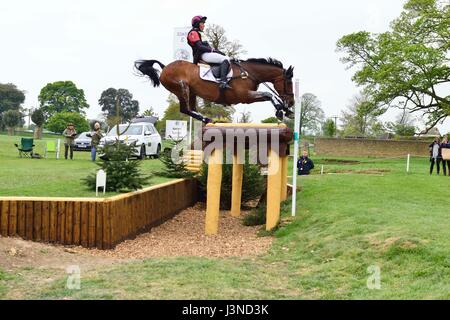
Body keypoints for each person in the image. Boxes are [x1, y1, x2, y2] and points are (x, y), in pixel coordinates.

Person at [187, 15, 232, 90]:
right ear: (197, 23)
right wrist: (213, 50)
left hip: (206, 53)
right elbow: (199, 46)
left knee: (226, 57)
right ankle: (223, 82)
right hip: (202, 55)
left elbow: (207, 46)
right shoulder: (193, 33)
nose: (204, 25)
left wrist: (216, 51)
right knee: (225, 59)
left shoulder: (200, 33)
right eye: (202, 23)